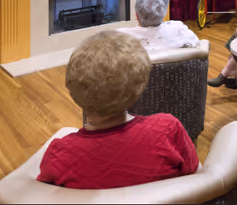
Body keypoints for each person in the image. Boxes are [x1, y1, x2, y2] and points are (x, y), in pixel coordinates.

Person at [37, 31, 199, 189]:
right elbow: (194, 174)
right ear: (139, 85)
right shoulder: (168, 129)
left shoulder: (59, 154)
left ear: (72, 88)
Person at [118, 0, 200, 51]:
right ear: (164, 13)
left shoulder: (122, 37)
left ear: (136, 15)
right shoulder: (180, 30)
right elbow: (199, 47)